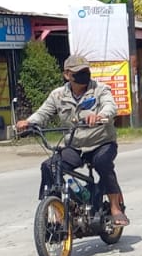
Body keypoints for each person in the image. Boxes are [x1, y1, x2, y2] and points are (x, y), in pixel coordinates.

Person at [16, 53, 128, 226]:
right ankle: (54, 209)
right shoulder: (58, 95)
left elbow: (110, 106)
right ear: (67, 74)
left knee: (102, 163)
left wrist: (99, 116)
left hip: (101, 142)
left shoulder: (100, 89)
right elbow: (43, 113)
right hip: (75, 146)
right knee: (50, 166)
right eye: (78, 71)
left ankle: (115, 207)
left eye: (85, 70)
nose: (83, 74)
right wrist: (28, 123)